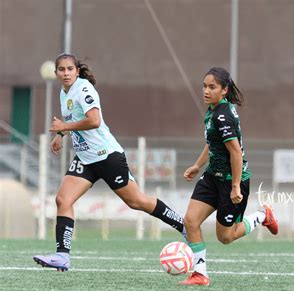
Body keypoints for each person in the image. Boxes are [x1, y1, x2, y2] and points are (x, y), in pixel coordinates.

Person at [33, 53, 186, 271]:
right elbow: (71, 117)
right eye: (61, 70)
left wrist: (64, 128)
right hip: (86, 159)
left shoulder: (84, 88)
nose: (66, 73)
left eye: (70, 69)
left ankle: (183, 225)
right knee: (63, 199)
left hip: (106, 155)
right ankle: (62, 255)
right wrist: (61, 135)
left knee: (136, 202)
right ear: (56, 73)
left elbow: (94, 121)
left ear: (77, 70)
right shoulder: (63, 91)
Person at [179, 67, 278, 286]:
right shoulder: (213, 110)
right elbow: (213, 143)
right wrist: (197, 165)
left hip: (232, 180)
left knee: (226, 237)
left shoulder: (222, 115)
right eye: (204, 86)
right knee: (191, 221)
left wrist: (235, 187)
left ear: (224, 90)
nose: (206, 91)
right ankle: (200, 274)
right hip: (212, 177)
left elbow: (235, 152)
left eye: (212, 87)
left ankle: (263, 216)